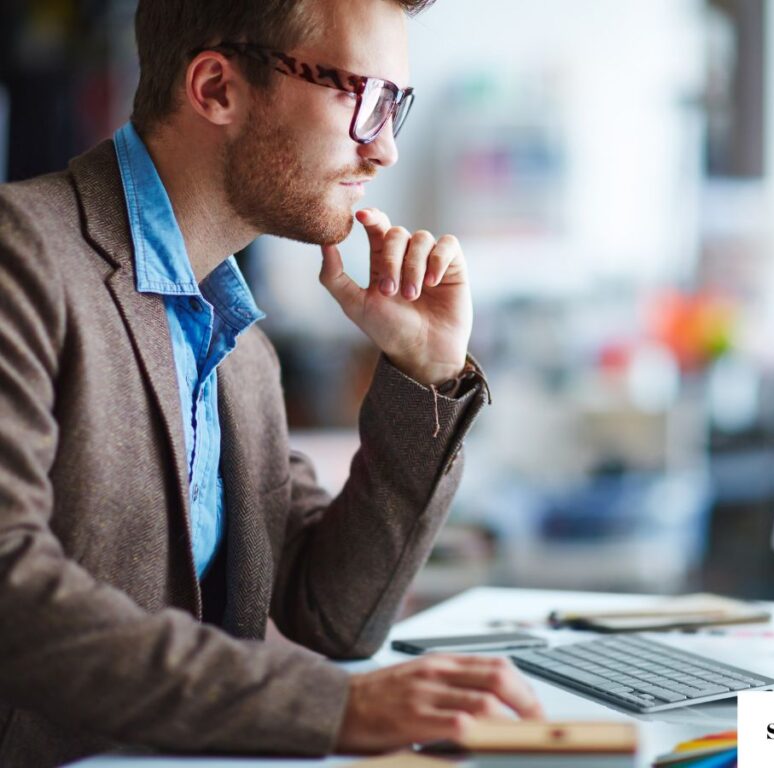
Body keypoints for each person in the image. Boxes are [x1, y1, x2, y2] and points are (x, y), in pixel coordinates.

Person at [0, 1, 543, 765]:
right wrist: (331, 707)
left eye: (397, 106)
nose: (384, 148)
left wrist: (427, 372)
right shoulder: (20, 256)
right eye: (362, 98)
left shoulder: (240, 343)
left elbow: (335, 618)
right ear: (218, 87)